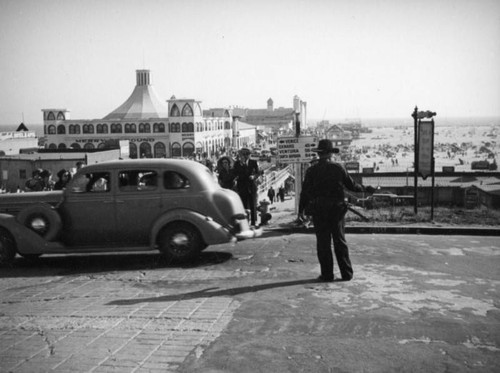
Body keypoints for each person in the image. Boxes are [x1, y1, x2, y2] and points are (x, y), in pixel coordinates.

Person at [301, 139, 376, 282]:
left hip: (319, 210)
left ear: (319, 154)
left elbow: (305, 193)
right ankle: (346, 274)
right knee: (339, 241)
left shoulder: (311, 170)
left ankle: (327, 274)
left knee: (323, 243)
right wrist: (366, 189)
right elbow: (352, 186)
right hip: (337, 210)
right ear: (330, 154)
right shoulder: (338, 168)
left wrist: (301, 211)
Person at [232, 148, 259, 226]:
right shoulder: (237, 164)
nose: (245, 156)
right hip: (242, 186)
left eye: (247, 154)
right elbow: (234, 173)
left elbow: (258, 173)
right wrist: (236, 177)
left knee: (252, 204)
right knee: (244, 205)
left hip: (251, 186)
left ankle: (254, 222)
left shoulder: (253, 162)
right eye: (244, 154)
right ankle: (245, 222)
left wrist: (254, 176)